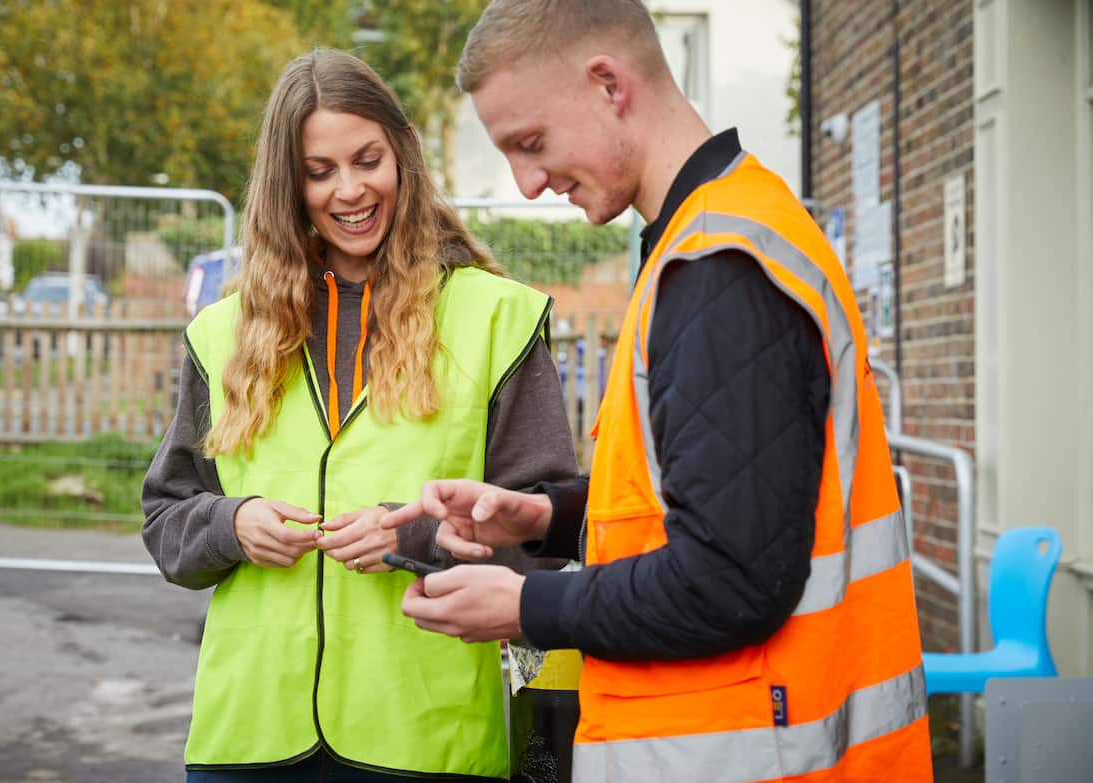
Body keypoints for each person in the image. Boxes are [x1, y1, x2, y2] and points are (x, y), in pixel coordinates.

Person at [381, 2, 934, 781]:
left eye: (531, 144)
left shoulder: (717, 268)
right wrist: (546, 515)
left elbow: (729, 577)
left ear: (608, 84)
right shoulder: (717, 234)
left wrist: (524, 606)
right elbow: (711, 498)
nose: (529, 184)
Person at [141, 49, 580, 782]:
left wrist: (418, 535)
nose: (350, 189)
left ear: (401, 156)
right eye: (320, 171)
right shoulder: (223, 334)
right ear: (290, 186)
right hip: (248, 739)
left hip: (424, 740)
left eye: (367, 159)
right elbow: (166, 521)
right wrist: (230, 523)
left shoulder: (493, 317)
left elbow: (543, 532)